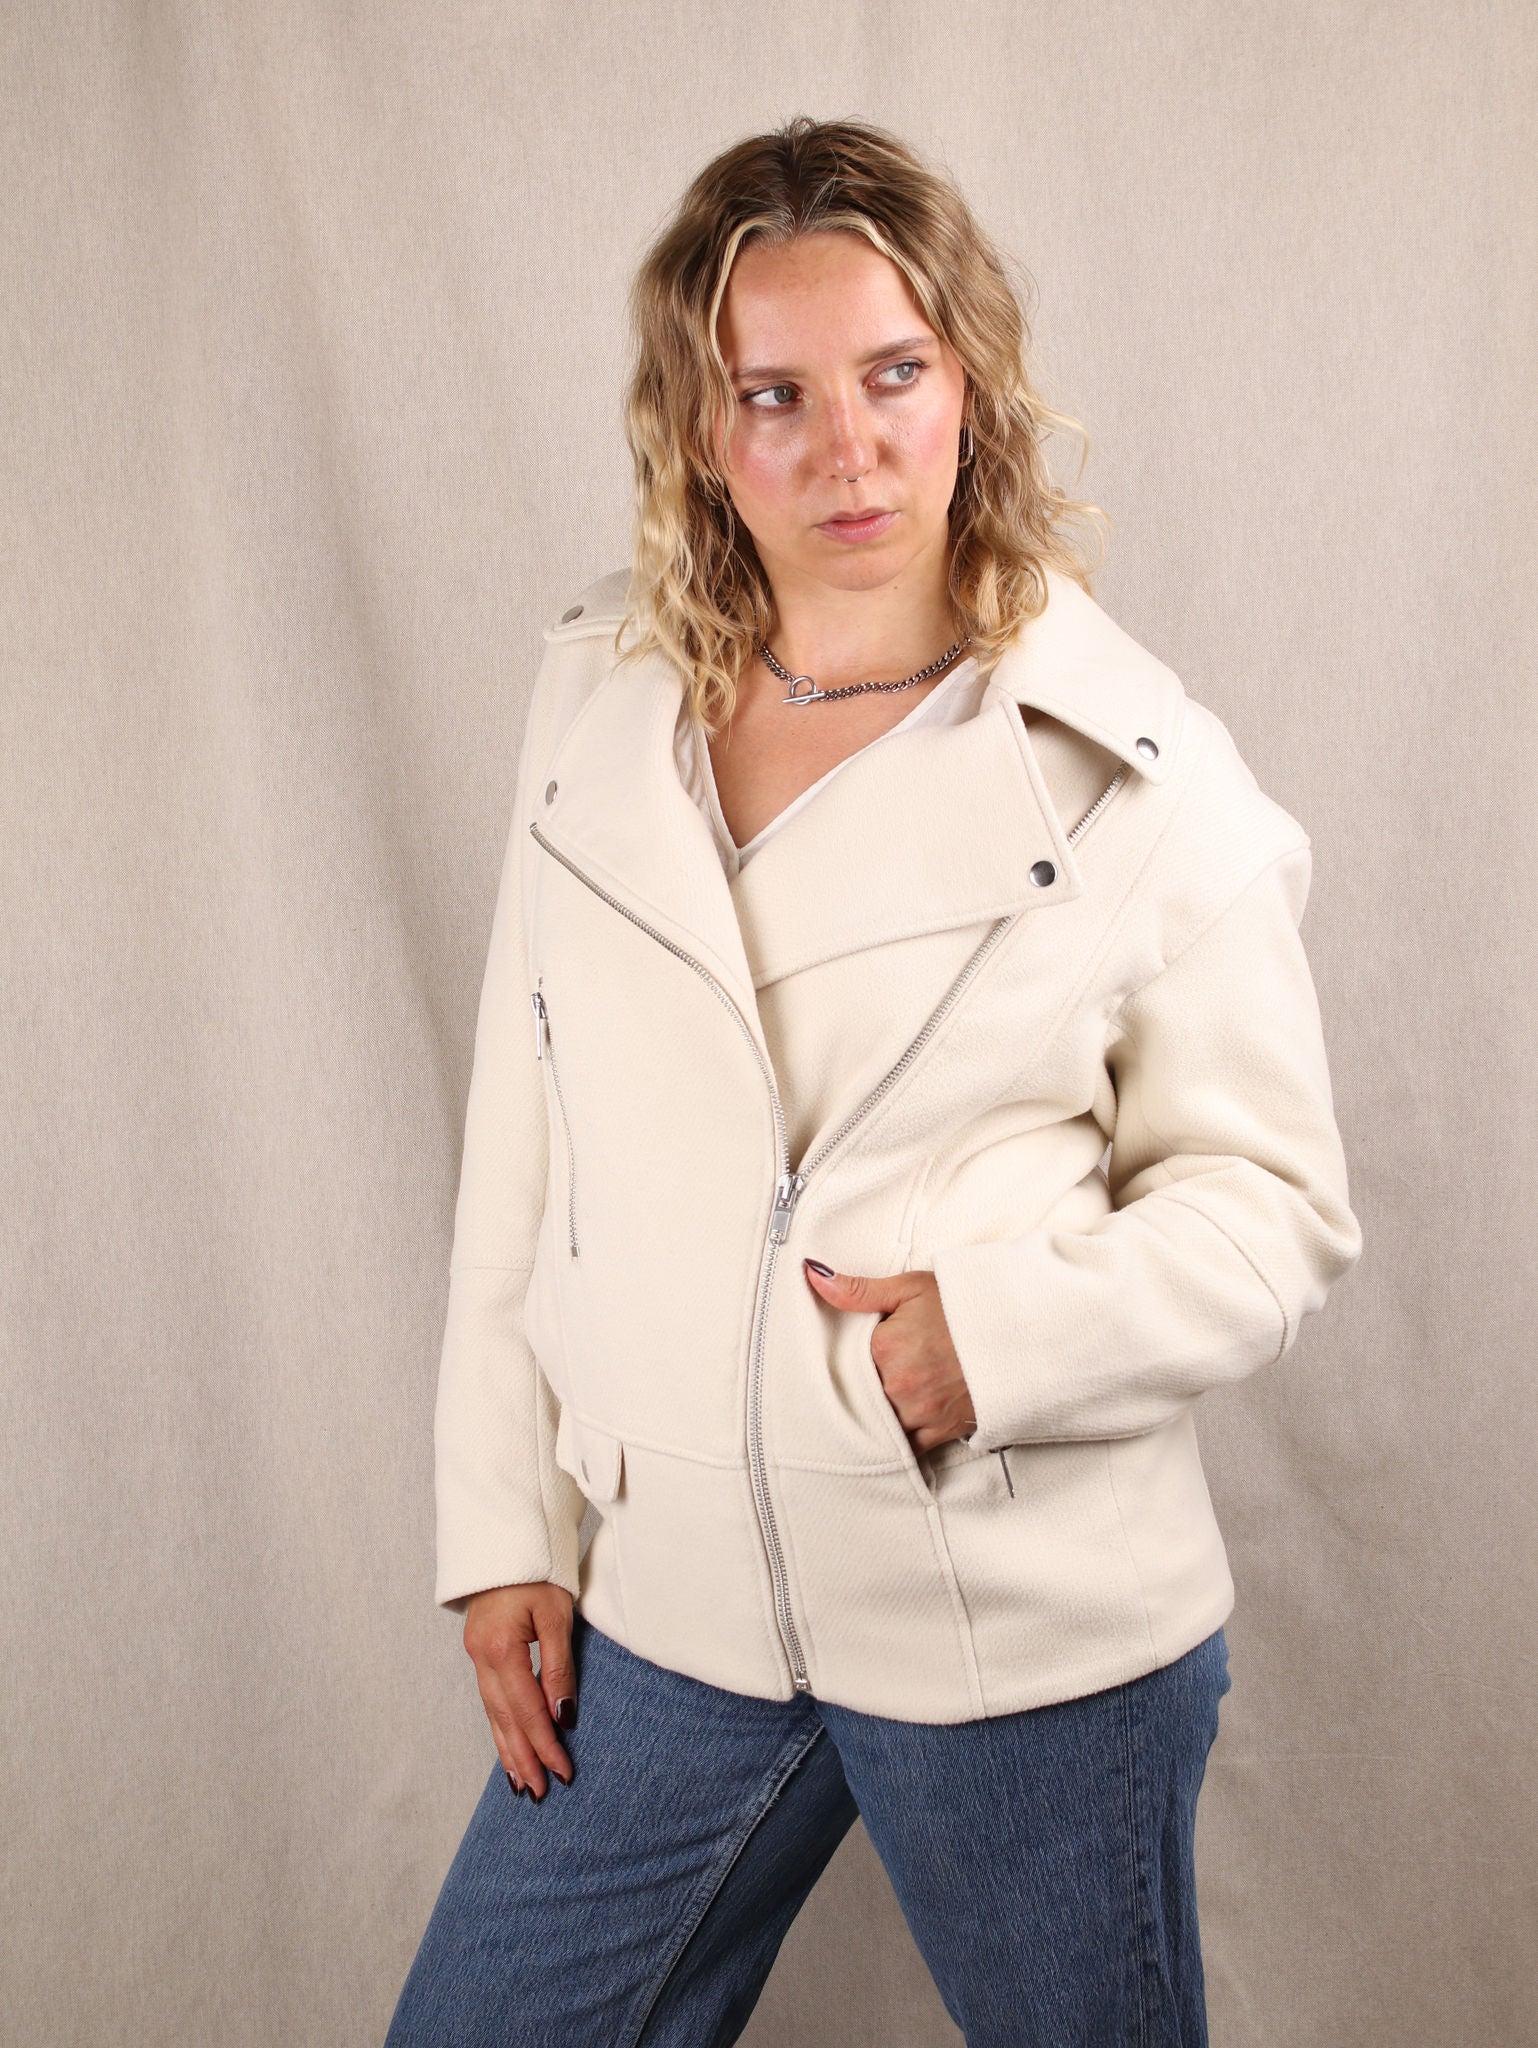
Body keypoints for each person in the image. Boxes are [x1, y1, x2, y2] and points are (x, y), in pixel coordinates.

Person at [385, 115, 1362, 2048]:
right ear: (697, 429)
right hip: (672, 1597)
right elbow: (528, 1134)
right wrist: (503, 1522)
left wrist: (983, 1341)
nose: (848, 449)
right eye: (776, 395)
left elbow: (1275, 1208)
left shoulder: (1134, 774)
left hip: (1015, 1614)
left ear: (969, 388)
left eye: (894, 374)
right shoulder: (597, 699)